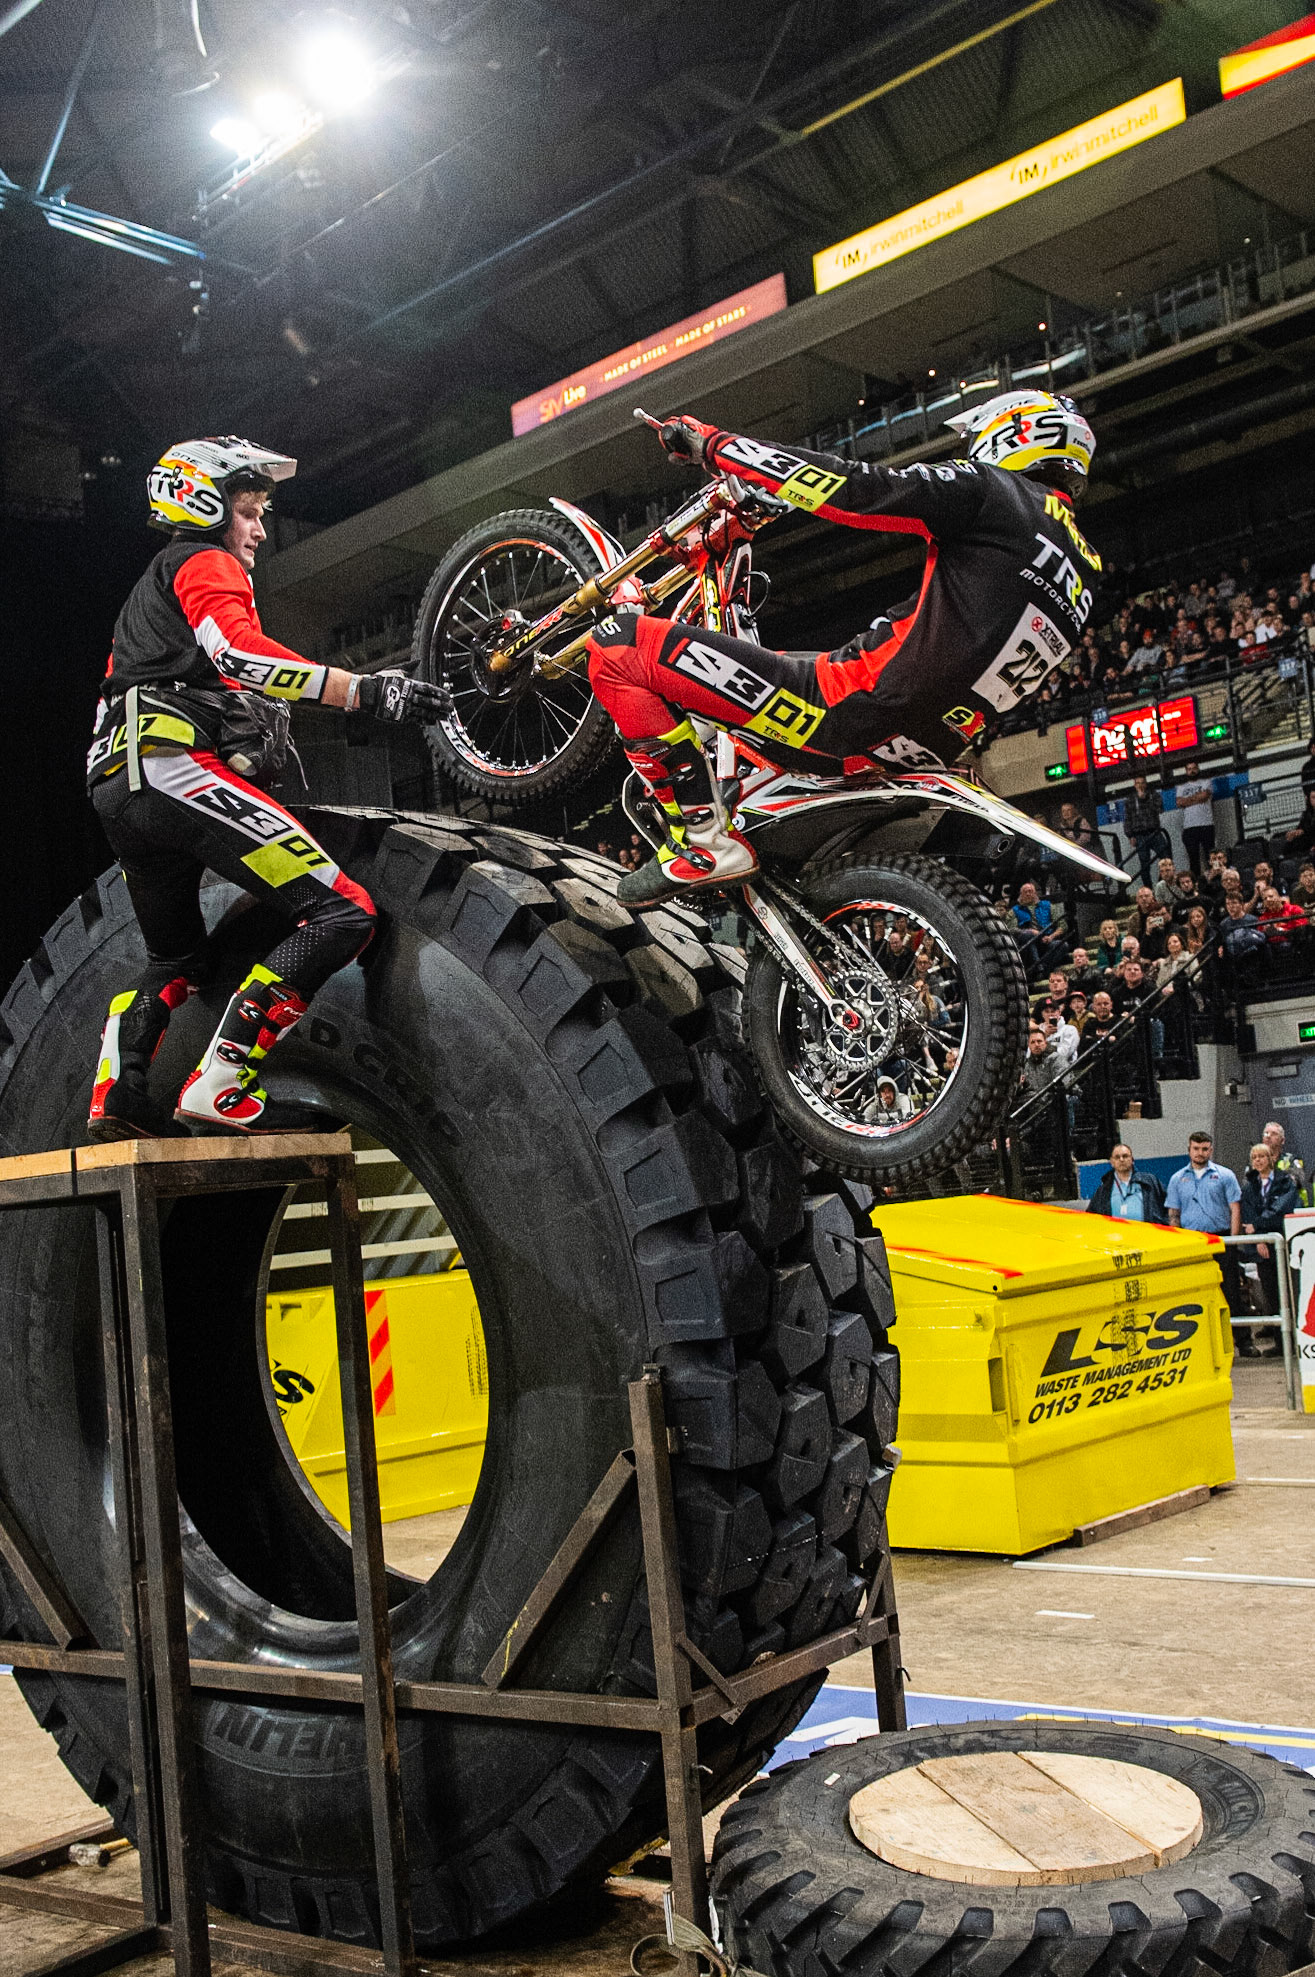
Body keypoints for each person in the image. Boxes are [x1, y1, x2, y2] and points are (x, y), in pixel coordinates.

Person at [584, 388, 1102, 904]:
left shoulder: (996, 493)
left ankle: (700, 841)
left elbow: (857, 488)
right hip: (919, 744)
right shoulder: (1085, 570)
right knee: (768, 659)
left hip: (844, 714)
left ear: (1015, 433)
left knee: (617, 647)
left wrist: (715, 445)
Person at [86, 437, 448, 1137]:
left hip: (114, 785)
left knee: (173, 957)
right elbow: (240, 654)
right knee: (342, 912)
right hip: (170, 768)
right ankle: (221, 1081)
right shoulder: (204, 560)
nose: (257, 529)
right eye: (248, 511)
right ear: (205, 505)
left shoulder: (143, 603)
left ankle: (117, 1092)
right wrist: (364, 691)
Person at [1166, 1132, 1242, 1315]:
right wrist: (1178, 1246)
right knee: (1196, 1290)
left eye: (1204, 1149)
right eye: (1196, 1149)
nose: (1200, 1153)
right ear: (1189, 1150)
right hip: (1192, 1241)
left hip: (1220, 1239)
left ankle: (1242, 1338)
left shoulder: (1225, 1175)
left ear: (1211, 1150)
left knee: (1231, 1289)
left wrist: (1233, 1242)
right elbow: (1174, 1214)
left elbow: (1236, 1209)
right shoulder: (1176, 1179)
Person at [1239, 1142, 1300, 1354]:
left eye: (1261, 1156)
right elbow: (1248, 1218)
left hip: (1283, 1243)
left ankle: (1297, 1340)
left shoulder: (1285, 1181)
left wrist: (1259, 1225)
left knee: (1290, 1293)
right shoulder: (1249, 1188)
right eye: (1254, 1157)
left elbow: (1281, 1208)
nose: (1258, 1160)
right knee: (1271, 1295)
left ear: (1270, 1159)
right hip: (1262, 1247)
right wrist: (1259, 1239)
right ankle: (1281, 1344)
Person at [1087, 1142, 1167, 1223]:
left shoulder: (1149, 1182)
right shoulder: (1103, 1189)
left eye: (1125, 1156)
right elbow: (1091, 1217)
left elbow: (1168, 1207)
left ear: (1132, 1160)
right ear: (1112, 1162)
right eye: (1117, 1157)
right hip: (1117, 1234)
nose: (1121, 1159)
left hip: (1146, 1233)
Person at [1011, 881, 1070, 975]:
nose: (1028, 894)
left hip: (1046, 939)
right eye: (1025, 892)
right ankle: (1038, 967)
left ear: (1035, 893)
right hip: (1028, 944)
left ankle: (1043, 969)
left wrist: (1051, 937)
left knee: (1062, 945)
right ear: (1021, 895)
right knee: (1028, 935)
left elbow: (1063, 925)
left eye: (1030, 891)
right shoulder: (1015, 910)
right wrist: (1029, 931)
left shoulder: (1047, 905)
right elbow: (1011, 929)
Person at [1123, 772, 1169, 886]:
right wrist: (1130, 835)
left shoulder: (1153, 795)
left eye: (1142, 783)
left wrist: (1145, 799)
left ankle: (1164, 884)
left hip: (1154, 832)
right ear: (1134, 785)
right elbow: (1127, 818)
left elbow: (1160, 809)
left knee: (1166, 859)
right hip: (1139, 835)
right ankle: (1148, 888)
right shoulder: (1130, 799)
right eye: (1137, 783)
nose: (1140, 785)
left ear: (1146, 784)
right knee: (1144, 863)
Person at [1175, 763, 1216, 876]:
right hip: (1189, 827)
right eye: (1189, 769)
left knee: (1210, 856)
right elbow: (1179, 802)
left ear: (1197, 769)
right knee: (1193, 858)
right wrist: (1197, 798)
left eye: (1194, 769)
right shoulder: (1181, 788)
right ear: (1186, 771)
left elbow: (1204, 796)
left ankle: (1214, 878)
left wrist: (1188, 800)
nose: (1192, 771)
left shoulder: (1206, 782)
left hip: (1206, 824)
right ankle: (1196, 882)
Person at [1262, 1119, 1310, 1207]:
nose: (1268, 1136)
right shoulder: (1255, 1163)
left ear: (1282, 1140)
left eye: (1273, 1134)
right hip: (1265, 1212)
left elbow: (1295, 1182)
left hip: (1291, 1210)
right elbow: (1249, 1186)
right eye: (1266, 1133)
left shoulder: (1292, 1160)